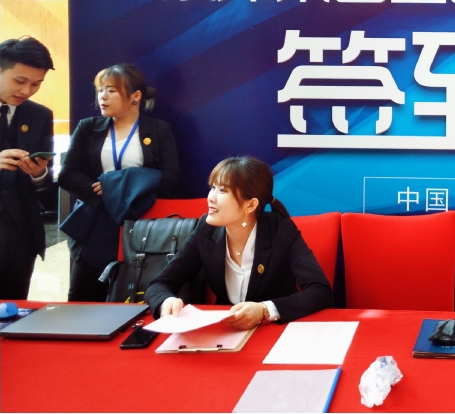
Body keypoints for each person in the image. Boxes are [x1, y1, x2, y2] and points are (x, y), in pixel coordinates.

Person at [145, 156, 332, 328]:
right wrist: (165, 301)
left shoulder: (281, 230)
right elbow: (159, 284)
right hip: (227, 331)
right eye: (213, 188)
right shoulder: (205, 230)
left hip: (273, 330)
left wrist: (265, 310)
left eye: (222, 190)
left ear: (250, 205)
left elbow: (320, 291)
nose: (211, 197)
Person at [59, 64, 179, 302]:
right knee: (84, 297)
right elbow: (67, 175)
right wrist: (104, 194)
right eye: (100, 90)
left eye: (111, 90)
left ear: (136, 96)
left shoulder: (159, 130)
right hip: (95, 222)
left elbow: (170, 178)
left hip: (140, 222)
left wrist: (115, 184)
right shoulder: (88, 127)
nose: (102, 97)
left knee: (133, 293)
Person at [0, 37, 55, 299]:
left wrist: (38, 173)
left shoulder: (40, 115)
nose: (27, 91)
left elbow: (45, 183)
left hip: (21, 233)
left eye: (36, 84)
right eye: (20, 81)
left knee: (15, 308)